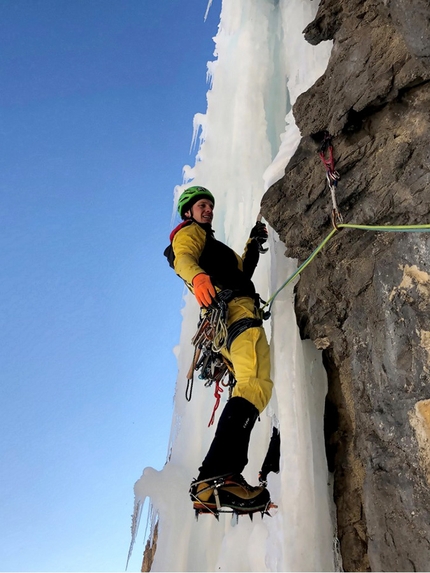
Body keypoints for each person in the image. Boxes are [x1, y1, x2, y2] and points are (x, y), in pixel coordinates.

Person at [164, 185, 274, 515]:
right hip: (235, 312)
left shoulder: (214, 247)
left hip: (235, 313)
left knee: (251, 386)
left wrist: (254, 242)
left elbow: (241, 270)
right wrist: (197, 278)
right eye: (201, 205)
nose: (207, 209)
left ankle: (221, 476)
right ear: (188, 212)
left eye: (210, 205)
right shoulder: (190, 234)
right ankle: (216, 478)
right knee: (254, 382)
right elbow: (182, 257)